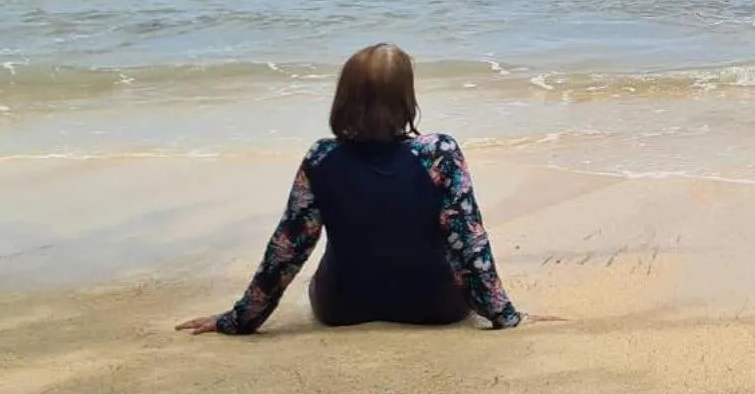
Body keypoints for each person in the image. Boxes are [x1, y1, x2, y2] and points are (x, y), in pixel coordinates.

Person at [176, 43, 527, 335]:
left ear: (344, 97)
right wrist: (504, 315)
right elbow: (469, 242)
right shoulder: (440, 153)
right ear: (406, 99)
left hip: (342, 306)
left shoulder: (320, 158)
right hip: (436, 306)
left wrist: (240, 320)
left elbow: (288, 248)